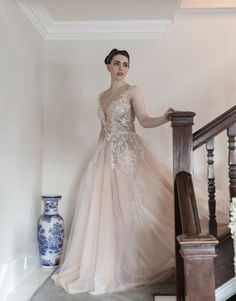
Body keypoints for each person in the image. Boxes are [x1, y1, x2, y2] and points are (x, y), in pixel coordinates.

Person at [52, 48, 176, 295]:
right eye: (117, 63)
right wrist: (98, 156)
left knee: (126, 208)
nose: (122, 68)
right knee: (105, 210)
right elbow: (103, 130)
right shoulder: (101, 97)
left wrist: (163, 118)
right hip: (105, 154)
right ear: (107, 66)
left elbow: (144, 119)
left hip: (127, 153)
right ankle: (108, 266)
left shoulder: (133, 91)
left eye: (126, 64)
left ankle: (127, 266)